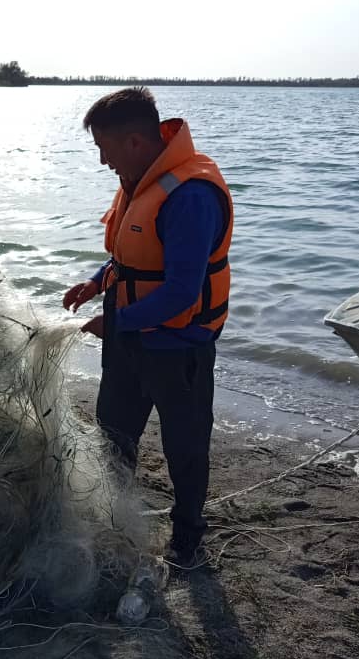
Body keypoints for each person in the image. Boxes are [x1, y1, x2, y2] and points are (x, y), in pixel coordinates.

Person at [63, 88, 233, 569]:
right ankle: (114, 523)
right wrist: (95, 284)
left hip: (178, 348)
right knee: (112, 436)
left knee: (185, 446)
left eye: (104, 148)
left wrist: (116, 320)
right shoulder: (139, 177)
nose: (102, 161)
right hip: (128, 342)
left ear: (135, 141)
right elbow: (128, 255)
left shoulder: (191, 195)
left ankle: (187, 539)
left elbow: (181, 291)